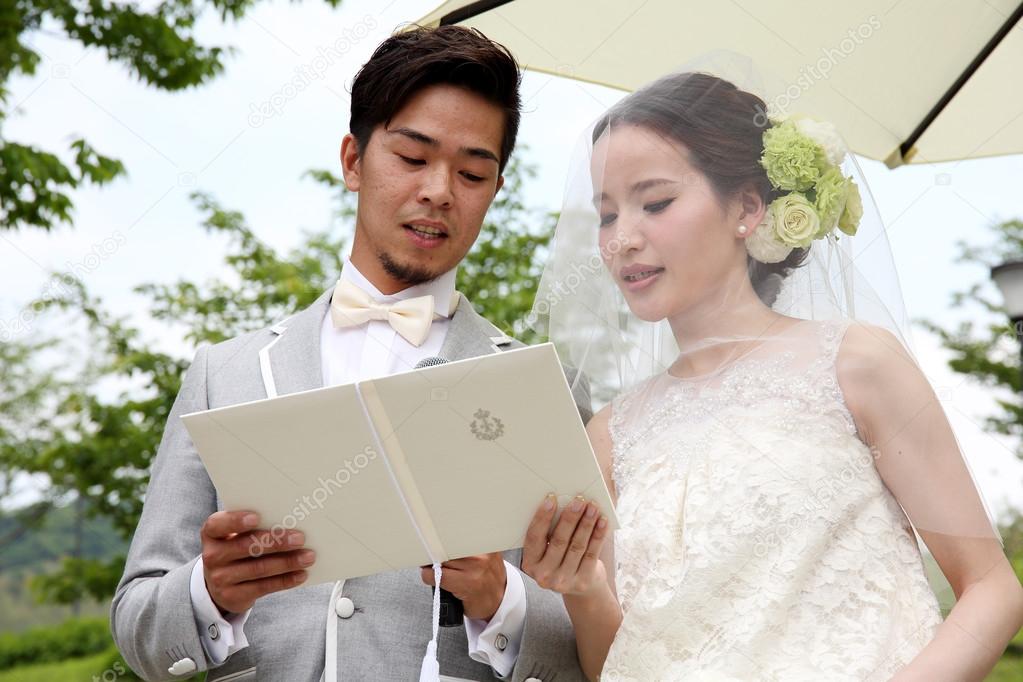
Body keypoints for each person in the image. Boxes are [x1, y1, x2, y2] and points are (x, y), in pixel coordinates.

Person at [111, 25, 591, 682]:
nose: (439, 191)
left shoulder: (547, 390)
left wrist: (500, 599)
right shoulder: (221, 374)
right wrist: (210, 591)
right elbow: (138, 627)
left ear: (495, 190)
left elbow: (599, 644)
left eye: (472, 172)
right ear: (352, 160)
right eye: (412, 157)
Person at [519, 67, 1023, 681]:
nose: (622, 239)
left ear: (748, 208)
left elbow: (993, 589)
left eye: (655, 202)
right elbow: (616, 667)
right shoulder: (609, 435)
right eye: (605, 215)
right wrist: (584, 589)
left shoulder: (854, 365)